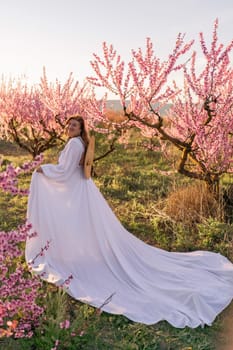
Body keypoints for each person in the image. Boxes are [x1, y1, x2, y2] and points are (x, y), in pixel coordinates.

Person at [25, 115, 233, 328]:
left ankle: (80, 253)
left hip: (78, 188)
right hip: (82, 188)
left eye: (74, 125)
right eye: (69, 124)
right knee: (87, 225)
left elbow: (63, 171)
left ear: (81, 129)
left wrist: (42, 170)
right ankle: (83, 251)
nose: (70, 127)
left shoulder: (73, 144)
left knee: (81, 223)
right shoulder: (79, 143)